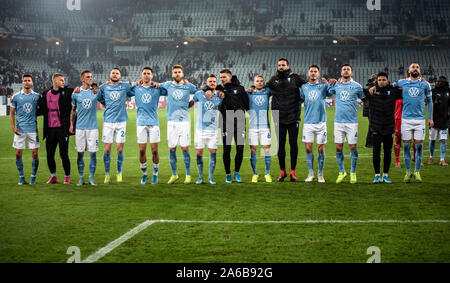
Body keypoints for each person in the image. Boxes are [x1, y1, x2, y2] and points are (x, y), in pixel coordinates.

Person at [265, 58, 307, 182]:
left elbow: (307, 86)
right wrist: (252, 88)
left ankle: (292, 171)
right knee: (281, 146)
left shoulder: (295, 78)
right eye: (279, 65)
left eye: (283, 65)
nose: (281, 67)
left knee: (293, 144)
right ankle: (282, 171)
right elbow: (264, 89)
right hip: (279, 117)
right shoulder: (273, 79)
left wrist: (303, 97)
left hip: (293, 116)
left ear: (288, 66)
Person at [158, 65, 198, 184]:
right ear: (172, 74)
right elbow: (155, 85)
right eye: (175, 72)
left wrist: (193, 101)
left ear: (182, 74)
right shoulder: (167, 84)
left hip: (184, 122)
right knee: (172, 149)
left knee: (185, 148)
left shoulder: (188, 85)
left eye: (179, 72)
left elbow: (199, 92)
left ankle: (188, 175)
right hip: (171, 122)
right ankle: (174, 174)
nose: (177, 74)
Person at [393, 63, 433, 183]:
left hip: (420, 120)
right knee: (406, 146)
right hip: (406, 120)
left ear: (420, 71)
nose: (415, 69)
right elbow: (387, 86)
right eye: (413, 67)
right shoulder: (402, 82)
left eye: (417, 67)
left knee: (419, 147)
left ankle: (417, 172)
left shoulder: (425, 84)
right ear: (409, 70)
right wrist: (375, 86)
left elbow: (430, 102)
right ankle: (408, 172)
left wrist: (430, 118)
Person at [129, 67, 167, 184]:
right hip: (140, 123)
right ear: (141, 75)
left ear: (152, 76)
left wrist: (159, 84)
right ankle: (144, 174)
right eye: (144, 73)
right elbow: (123, 89)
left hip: (154, 123)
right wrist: (134, 83)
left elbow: (169, 89)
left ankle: (155, 174)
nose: (146, 75)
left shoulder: (156, 89)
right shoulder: (136, 88)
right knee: (141, 151)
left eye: (148, 73)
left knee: (155, 150)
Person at [96, 68, 135, 184]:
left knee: (119, 149)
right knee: (107, 150)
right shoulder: (103, 87)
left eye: (117, 73)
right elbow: (98, 97)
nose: (115, 74)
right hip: (108, 121)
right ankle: (107, 174)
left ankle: (119, 173)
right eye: (113, 73)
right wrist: (105, 103)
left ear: (120, 76)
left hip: (121, 122)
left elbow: (134, 90)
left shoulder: (125, 86)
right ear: (110, 75)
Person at [329, 64, 365, 184]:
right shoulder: (336, 85)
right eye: (344, 69)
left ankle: (353, 172)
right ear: (341, 72)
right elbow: (327, 92)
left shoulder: (357, 86)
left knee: (352, 147)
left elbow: (365, 99)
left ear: (352, 73)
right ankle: (342, 171)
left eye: (348, 69)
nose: (345, 71)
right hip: (338, 122)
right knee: (338, 147)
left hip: (352, 122)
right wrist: (327, 82)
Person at [366, 72, 402, 184]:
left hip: (389, 126)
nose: (382, 81)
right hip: (376, 126)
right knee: (376, 152)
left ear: (387, 81)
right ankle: (377, 175)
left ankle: (386, 175)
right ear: (376, 81)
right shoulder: (371, 92)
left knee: (387, 152)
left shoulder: (393, 91)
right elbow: (359, 91)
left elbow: (405, 88)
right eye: (380, 80)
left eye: (384, 79)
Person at [39, 73, 74, 184]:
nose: (63, 82)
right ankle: (53, 176)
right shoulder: (46, 94)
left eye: (64, 80)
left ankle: (67, 177)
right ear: (54, 81)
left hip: (62, 129)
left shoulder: (67, 92)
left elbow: (79, 90)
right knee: (49, 154)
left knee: (63, 154)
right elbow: (40, 109)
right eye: (61, 80)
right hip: (50, 129)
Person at [300, 65, 333, 183]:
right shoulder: (304, 87)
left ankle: (320, 173)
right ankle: (311, 173)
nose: (313, 73)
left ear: (318, 74)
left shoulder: (324, 85)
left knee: (320, 149)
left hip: (321, 122)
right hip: (308, 122)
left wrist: (329, 83)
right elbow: (302, 99)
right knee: (308, 149)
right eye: (311, 71)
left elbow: (331, 94)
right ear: (308, 73)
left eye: (315, 71)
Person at [216, 69, 249, 183]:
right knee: (227, 149)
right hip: (225, 123)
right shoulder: (219, 89)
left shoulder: (240, 88)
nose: (222, 79)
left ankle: (237, 173)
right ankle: (228, 174)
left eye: (224, 77)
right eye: (221, 77)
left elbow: (247, 104)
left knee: (240, 149)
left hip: (239, 122)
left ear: (230, 77)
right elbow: (206, 89)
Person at [192, 74, 223, 185]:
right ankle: (200, 177)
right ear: (206, 83)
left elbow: (222, 106)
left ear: (216, 83)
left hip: (213, 130)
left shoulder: (219, 96)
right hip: (200, 130)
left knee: (212, 153)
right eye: (210, 81)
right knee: (199, 153)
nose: (212, 83)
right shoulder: (199, 94)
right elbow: (192, 102)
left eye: (214, 81)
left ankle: (210, 177)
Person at [70, 71, 99, 186]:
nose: (90, 79)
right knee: (80, 154)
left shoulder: (95, 92)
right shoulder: (76, 93)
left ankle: (91, 178)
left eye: (91, 77)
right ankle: (81, 178)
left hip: (93, 128)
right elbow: (72, 110)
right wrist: (71, 124)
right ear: (82, 79)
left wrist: (96, 86)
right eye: (88, 77)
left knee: (93, 154)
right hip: (80, 128)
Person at [10, 74, 40, 185]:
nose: (27, 82)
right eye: (25, 80)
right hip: (20, 130)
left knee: (35, 155)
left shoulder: (37, 96)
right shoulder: (16, 96)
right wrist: (13, 127)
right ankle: (21, 177)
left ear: (32, 83)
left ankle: (33, 176)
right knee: (18, 154)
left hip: (33, 129)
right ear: (22, 82)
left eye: (29, 80)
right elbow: (12, 113)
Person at [247, 75, 272, 183]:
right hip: (253, 127)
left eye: (261, 81)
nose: (260, 82)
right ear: (254, 82)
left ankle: (267, 173)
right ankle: (255, 174)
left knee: (267, 150)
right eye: (257, 81)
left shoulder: (267, 92)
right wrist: (250, 88)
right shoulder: (249, 93)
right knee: (253, 150)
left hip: (265, 126)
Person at [428, 76, 449, 166]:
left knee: (443, 140)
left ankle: (442, 159)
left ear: (444, 82)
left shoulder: (448, 92)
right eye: (437, 81)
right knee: (432, 140)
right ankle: (431, 157)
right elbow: (428, 103)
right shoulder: (433, 91)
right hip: (434, 120)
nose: (437, 82)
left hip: (445, 120)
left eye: (440, 81)